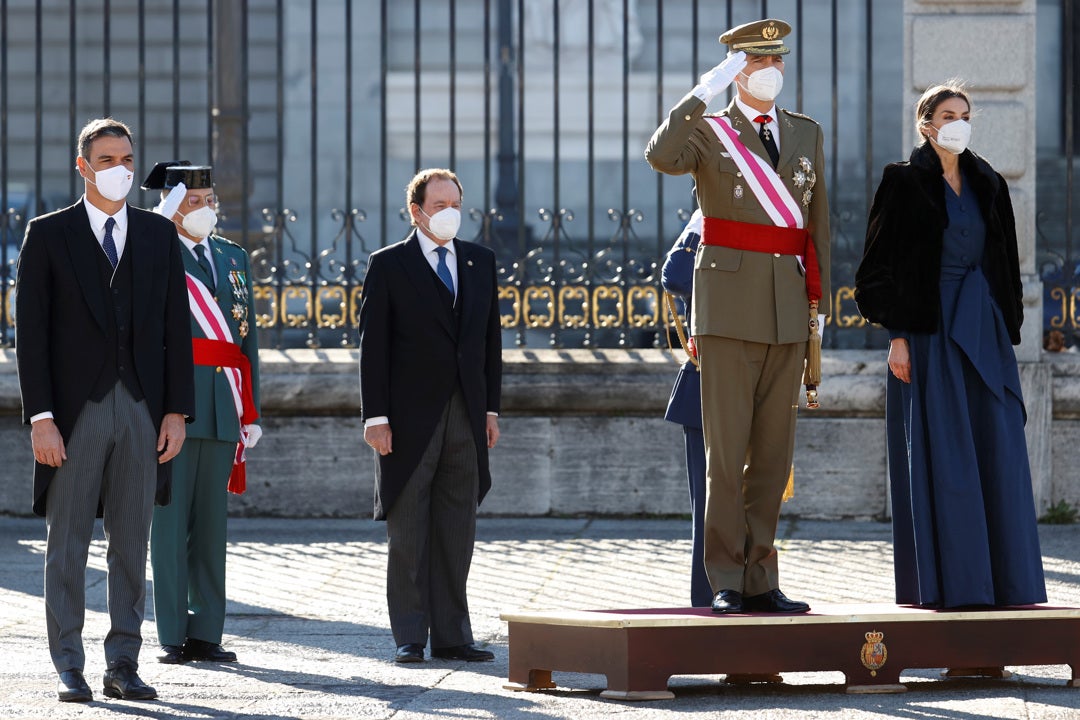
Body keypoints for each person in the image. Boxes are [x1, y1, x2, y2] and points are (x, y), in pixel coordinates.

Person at [645, 18, 830, 615]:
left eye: (775, 59)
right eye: (754, 62)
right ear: (734, 70)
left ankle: (761, 576)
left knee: (773, 456)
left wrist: (816, 310)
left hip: (786, 309)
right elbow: (661, 155)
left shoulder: (805, 133)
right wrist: (702, 92)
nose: (768, 70)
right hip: (725, 310)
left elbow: (815, 226)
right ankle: (725, 576)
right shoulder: (707, 131)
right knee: (726, 456)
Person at [15, 118, 195, 702]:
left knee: (131, 542)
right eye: (108, 158)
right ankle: (69, 662)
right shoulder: (47, 234)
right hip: (72, 414)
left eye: (127, 158)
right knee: (66, 542)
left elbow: (175, 329)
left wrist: (176, 412)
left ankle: (124, 663)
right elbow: (32, 335)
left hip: (142, 408)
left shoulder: (157, 235)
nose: (120, 168)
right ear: (83, 166)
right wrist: (40, 416)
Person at [855, 83, 1047, 608]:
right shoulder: (902, 183)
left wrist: (1007, 328)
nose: (958, 122)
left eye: (964, 114)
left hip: (983, 332)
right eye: (948, 114)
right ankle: (953, 586)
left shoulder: (989, 182)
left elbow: (1005, 264)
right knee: (948, 458)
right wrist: (896, 336)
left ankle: (1008, 584)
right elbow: (873, 274)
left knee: (998, 450)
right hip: (928, 335)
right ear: (927, 123)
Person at [358, 168, 502, 663]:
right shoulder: (389, 265)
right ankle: (410, 635)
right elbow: (372, 349)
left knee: (457, 526)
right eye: (438, 205)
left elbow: (490, 344)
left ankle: (453, 634)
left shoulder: (480, 261)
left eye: (455, 203)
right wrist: (375, 417)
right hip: (407, 418)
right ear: (415, 212)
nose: (449, 213)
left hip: (466, 413)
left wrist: (489, 409)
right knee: (409, 530)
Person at [143, 162, 262, 665]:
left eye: (210, 198)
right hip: (175, 404)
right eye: (193, 200)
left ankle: (207, 631)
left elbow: (246, 335)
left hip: (222, 404)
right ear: (171, 207)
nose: (206, 207)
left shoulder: (232, 256)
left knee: (212, 526)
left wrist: (250, 408)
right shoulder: (154, 249)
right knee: (169, 524)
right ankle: (171, 631)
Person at [661, 207, 712, 607]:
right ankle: (708, 595)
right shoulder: (703, 219)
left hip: (759, 379)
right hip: (708, 382)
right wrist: (699, 226)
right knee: (710, 505)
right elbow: (674, 275)